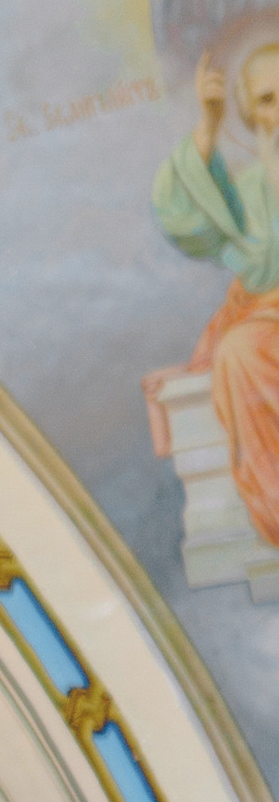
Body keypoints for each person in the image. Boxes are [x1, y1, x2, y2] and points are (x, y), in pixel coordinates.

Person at [157, 38, 279, 557]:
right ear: (251, 113)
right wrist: (207, 129)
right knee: (238, 352)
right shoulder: (250, 192)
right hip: (269, 319)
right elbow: (183, 221)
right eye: (270, 99)